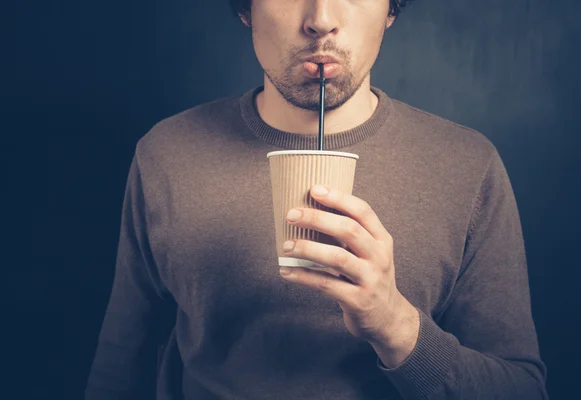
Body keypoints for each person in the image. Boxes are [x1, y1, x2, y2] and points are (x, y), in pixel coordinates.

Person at [85, 0, 548, 399]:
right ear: (246, 8)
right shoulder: (167, 153)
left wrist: (395, 325)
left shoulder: (468, 165)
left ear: (391, 9)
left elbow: (522, 390)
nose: (321, 19)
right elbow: (121, 371)